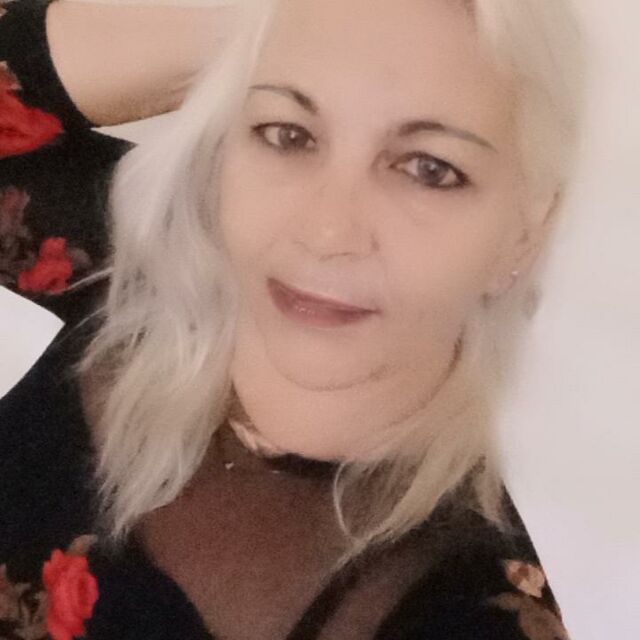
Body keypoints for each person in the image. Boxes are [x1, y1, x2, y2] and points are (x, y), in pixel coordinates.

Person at [0, 0, 587, 638]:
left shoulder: (469, 618)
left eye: (430, 169)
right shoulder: (144, 284)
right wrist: (261, 20)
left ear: (525, 232)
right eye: (289, 134)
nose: (327, 231)